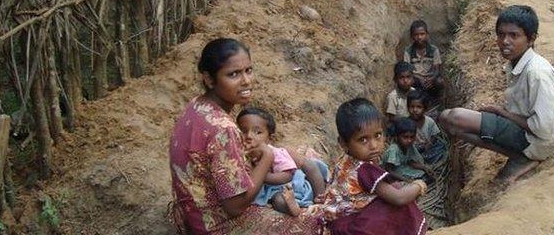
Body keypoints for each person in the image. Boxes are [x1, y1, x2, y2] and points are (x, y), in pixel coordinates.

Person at [169, 38, 322, 234]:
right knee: (319, 222)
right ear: (209, 79)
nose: (246, 81)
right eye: (233, 74)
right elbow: (235, 207)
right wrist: (266, 157)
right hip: (217, 225)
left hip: (191, 211)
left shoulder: (197, 105)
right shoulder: (223, 129)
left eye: (248, 70)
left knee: (300, 153)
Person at [438, 6, 554, 185]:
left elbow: (542, 129)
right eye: (501, 35)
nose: (505, 41)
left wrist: (501, 113)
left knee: (453, 117)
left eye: (513, 36)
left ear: (531, 39)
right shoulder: (518, 64)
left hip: (538, 141)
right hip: (528, 131)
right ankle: (519, 155)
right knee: (450, 124)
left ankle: (524, 156)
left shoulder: (538, 73)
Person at [323, 98, 428, 235]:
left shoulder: (344, 160)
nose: (373, 146)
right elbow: (399, 198)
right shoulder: (364, 169)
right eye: (363, 139)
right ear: (343, 143)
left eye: (378, 135)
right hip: (354, 228)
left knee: (393, 189)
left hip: (338, 223)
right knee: (401, 201)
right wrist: (418, 186)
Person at [236, 107, 328, 216]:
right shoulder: (239, 154)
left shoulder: (275, 153)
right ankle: (294, 208)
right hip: (273, 192)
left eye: (257, 132)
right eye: (243, 131)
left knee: (311, 166)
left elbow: (287, 176)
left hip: (290, 186)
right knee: (278, 202)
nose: (249, 136)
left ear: (270, 138)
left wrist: (261, 176)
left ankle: (320, 196)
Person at [403, 20, 443, 100]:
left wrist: (432, 79)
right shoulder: (408, 51)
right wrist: (419, 79)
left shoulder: (434, 50)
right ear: (412, 36)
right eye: (416, 35)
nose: (419, 37)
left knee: (439, 81)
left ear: (427, 34)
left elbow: (437, 69)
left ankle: (438, 102)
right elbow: (407, 71)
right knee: (407, 82)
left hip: (430, 79)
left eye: (422, 34)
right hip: (416, 79)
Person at [381, 117, 431, 182]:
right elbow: (389, 170)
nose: (409, 140)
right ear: (397, 136)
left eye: (412, 137)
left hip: (403, 168)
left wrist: (424, 168)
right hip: (393, 173)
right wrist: (407, 180)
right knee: (421, 180)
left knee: (425, 175)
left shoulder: (409, 146)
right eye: (405, 137)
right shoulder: (394, 150)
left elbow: (409, 161)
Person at [406, 90, 446, 165]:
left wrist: (429, 144)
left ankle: (426, 160)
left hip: (426, 148)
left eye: (419, 107)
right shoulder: (406, 123)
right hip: (413, 149)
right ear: (408, 107)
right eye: (412, 107)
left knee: (441, 146)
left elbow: (434, 135)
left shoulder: (429, 121)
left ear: (425, 108)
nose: (415, 110)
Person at [386, 61, 417, 125]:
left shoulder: (414, 91)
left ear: (413, 78)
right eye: (401, 77)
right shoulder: (392, 97)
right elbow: (392, 118)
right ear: (395, 79)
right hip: (400, 128)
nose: (405, 81)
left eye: (408, 77)